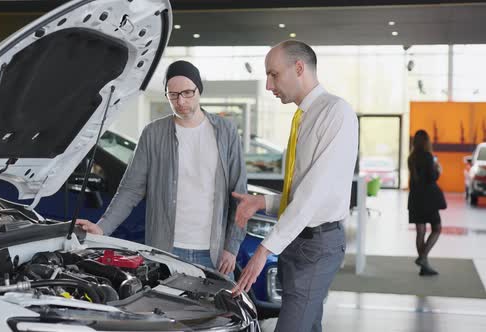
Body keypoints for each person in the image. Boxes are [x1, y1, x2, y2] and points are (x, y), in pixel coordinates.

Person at [230, 40, 358, 332]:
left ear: (299, 68)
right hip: (298, 242)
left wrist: (263, 250)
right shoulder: (304, 117)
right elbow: (302, 191)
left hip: (316, 245)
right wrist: (263, 203)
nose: (268, 85)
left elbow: (313, 196)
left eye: (273, 74)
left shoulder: (335, 113)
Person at [76, 60, 247, 276]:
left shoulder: (225, 131)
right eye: (173, 95)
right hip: (165, 251)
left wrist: (232, 247)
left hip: (213, 253)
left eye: (187, 93)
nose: (181, 101)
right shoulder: (153, 133)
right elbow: (131, 189)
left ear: (199, 90)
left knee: (218, 310)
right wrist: (102, 228)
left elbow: (239, 195)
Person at [407, 129, 445, 276]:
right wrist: (438, 169)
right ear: (426, 142)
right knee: (437, 228)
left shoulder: (411, 158)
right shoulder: (428, 157)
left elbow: (414, 182)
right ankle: (423, 258)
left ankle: (424, 268)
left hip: (415, 199)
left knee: (420, 232)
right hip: (428, 200)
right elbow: (432, 178)